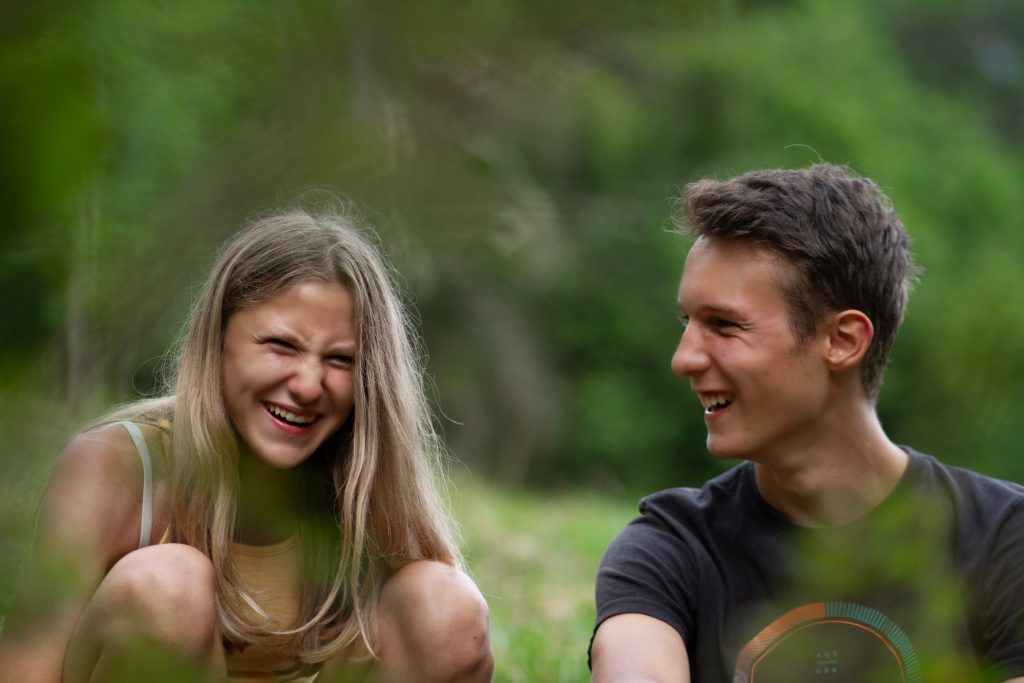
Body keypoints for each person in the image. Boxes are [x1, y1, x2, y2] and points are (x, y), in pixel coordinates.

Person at [0, 210, 494, 682]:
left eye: (341, 360)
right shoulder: (116, 467)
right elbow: (29, 662)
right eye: (282, 345)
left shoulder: (359, 485)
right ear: (218, 340)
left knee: (445, 606)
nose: (307, 385)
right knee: (168, 585)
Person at [589, 164, 1024, 682]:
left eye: (723, 325)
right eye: (687, 322)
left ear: (842, 341)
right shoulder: (669, 550)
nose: (682, 360)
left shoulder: (1005, 539)